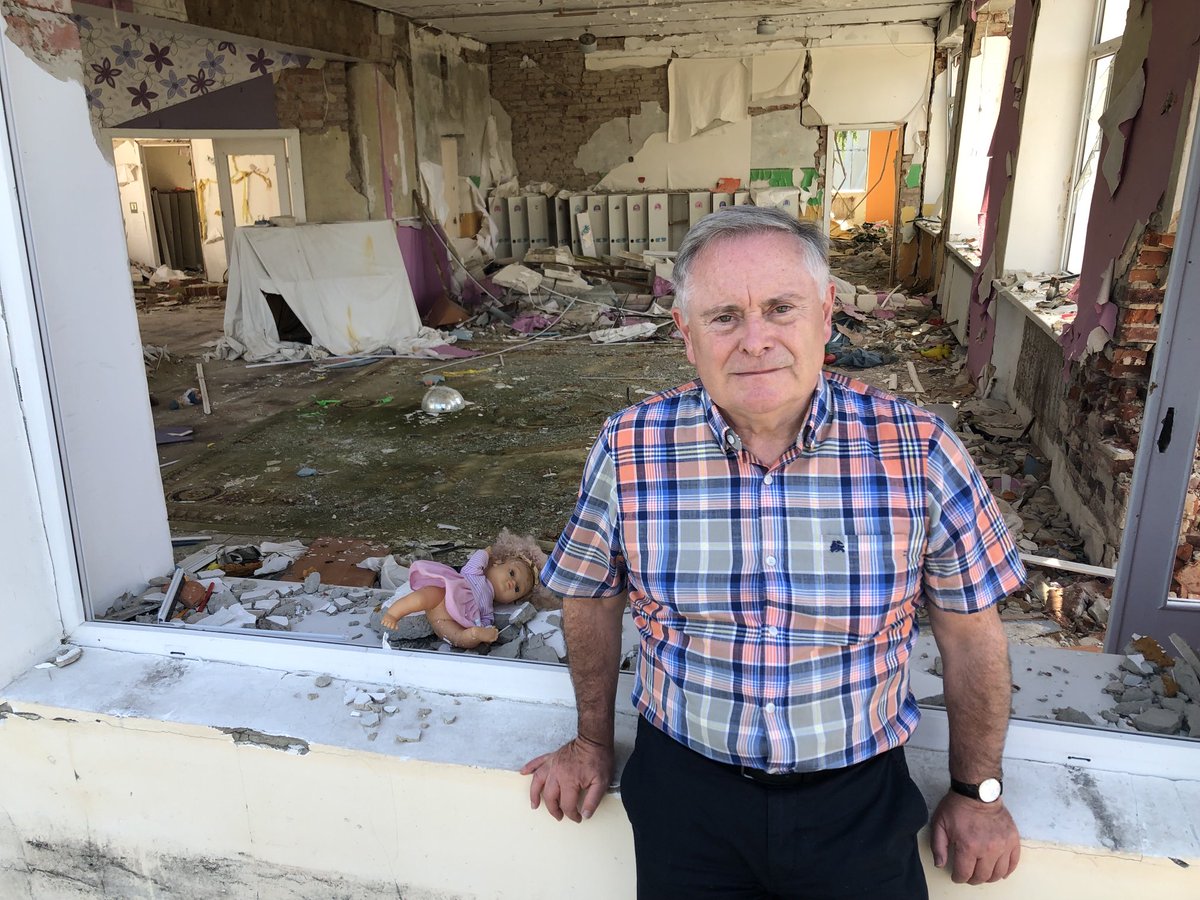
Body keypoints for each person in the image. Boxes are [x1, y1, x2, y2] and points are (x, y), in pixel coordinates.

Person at [522, 206, 1026, 897]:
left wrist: (979, 791)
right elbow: (590, 595)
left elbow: (973, 636)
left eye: (781, 308)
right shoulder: (631, 447)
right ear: (686, 334)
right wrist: (590, 742)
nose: (755, 340)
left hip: (858, 801)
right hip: (684, 798)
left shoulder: (919, 450)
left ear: (825, 315)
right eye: (724, 316)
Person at [379, 529, 547, 648]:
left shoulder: (488, 606)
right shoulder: (475, 574)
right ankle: (394, 613)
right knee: (423, 597)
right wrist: (486, 552)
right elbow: (477, 560)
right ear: (497, 563)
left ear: (514, 601)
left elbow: (487, 620)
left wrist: (487, 631)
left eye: (517, 589)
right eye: (512, 573)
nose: (512, 583)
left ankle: (473, 634)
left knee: (456, 636)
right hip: (444, 596)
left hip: (448, 619)